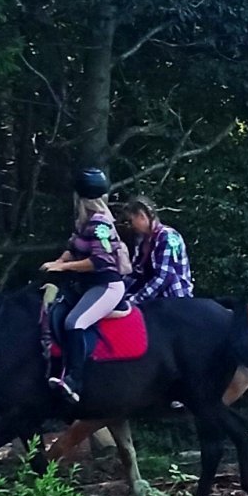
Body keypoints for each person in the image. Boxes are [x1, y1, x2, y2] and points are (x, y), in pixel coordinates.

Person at [41, 166, 130, 403]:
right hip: (87, 286)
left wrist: (64, 268)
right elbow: (73, 249)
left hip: (106, 286)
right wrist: (58, 261)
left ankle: (74, 381)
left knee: (74, 322)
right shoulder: (84, 221)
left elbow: (100, 261)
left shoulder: (100, 223)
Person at [123, 197, 194, 302]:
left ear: (141, 216)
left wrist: (135, 300)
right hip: (154, 300)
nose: (131, 225)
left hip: (174, 301)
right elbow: (134, 274)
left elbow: (164, 278)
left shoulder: (168, 237)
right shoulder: (144, 240)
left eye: (131, 220)